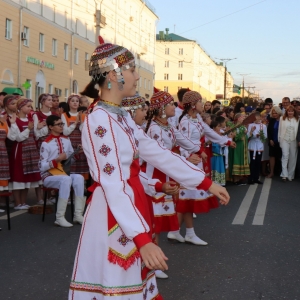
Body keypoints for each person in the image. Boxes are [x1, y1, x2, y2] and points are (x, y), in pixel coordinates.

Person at [69, 43, 230, 300]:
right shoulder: (100, 119)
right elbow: (112, 183)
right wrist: (142, 239)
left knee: (133, 284)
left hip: (131, 204)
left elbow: (157, 153)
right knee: (117, 286)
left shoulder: (119, 116)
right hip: (115, 212)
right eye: (131, 69)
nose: (137, 75)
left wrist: (204, 182)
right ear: (113, 74)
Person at [39, 115, 85, 227]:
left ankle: (78, 215)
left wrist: (76, 154)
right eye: (58, 124)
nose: (61, 126)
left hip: (63, 173)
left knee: (79, 177)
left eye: (62, 124)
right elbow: (41, 166)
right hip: (48, 175)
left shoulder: (66, 139)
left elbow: (68, 162)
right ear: (50, 127)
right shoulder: (46, 143)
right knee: (66, 179)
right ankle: (59, 218)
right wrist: (57, 160)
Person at [9, 98, 42, 209]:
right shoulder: (15, 120)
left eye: (30, 106)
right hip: (21, 150)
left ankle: (23, 202)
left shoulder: (30, 120)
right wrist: (28, 129)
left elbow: (36, 135)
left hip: (31, 150)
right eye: (28, 106)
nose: (30, 108)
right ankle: (17, 203)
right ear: (21, 107)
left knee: (27, 177)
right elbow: (17, 138)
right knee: (19, 176)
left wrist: (40, 128)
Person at [61, 94, 89, 180]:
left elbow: (84, 130)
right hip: (69, 142)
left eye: (77, 101)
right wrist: (76, 122)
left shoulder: (82, 115)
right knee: (70, 166)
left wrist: (81, 120)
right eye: (72, 101)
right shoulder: (64, 115)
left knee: (81, 169)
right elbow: (65, 132)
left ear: (79, 104)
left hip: (80, 143)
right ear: (69, 103)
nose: (75, 103)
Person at [278, 105, 299, 181]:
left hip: (294, 140)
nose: (290, 112)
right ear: (287, 111)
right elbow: (279, 130)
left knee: (293, 157)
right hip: (284, 140)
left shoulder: (298, 119)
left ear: (294, 112)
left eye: (292, 111)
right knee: (285, 156)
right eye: (289, 111)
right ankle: (284, 174)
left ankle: (290, 175)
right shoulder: (282, 119)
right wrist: (280, 140)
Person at [247, 111, 268, 184]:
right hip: (252, 146)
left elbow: (265, 136)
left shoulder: (263, 126)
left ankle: (256, 178)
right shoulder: (250, 125)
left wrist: (261, 136)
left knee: (258, 162)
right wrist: (253, 133)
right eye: (255, 118)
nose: (257, 119)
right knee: (252, 163)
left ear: (260, 117)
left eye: (258, 118)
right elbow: (248, 136)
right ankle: (250, 178)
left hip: (259, 146)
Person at [230, 113, 250, 185]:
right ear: (238, 118)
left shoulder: (243, 126)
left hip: (243, 146)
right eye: (243, 117)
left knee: (242, 160)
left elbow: (246, 136)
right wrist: (240, 136)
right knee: (237, 160)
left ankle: (240, 177)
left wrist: (248, 133)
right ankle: (236, 179)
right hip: (238, 146)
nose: (244, 119)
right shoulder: (235, 127)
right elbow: (234, 137)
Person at [267, 106, 282, 178]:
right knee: (272, 156)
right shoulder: (272, 120)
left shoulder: (283, 120)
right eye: (273, 113)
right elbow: (269, 131)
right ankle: (271, 172)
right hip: (272, 141)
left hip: (281, 141)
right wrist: (270, 139)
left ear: (279, 113)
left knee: (281, 157)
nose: (275, 114)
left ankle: (281, 172)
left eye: (276, 113)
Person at [210, 117, 226, 186]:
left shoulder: (220, 134)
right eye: (218, 127)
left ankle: (220, 183)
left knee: (220, 168)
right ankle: (215, 183)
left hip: (219, 155)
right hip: (215, 155)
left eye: (220, 126)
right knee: (215, 168)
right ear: (213, 128)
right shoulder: (211, 135)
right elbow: (213, 145)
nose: (219, 128)